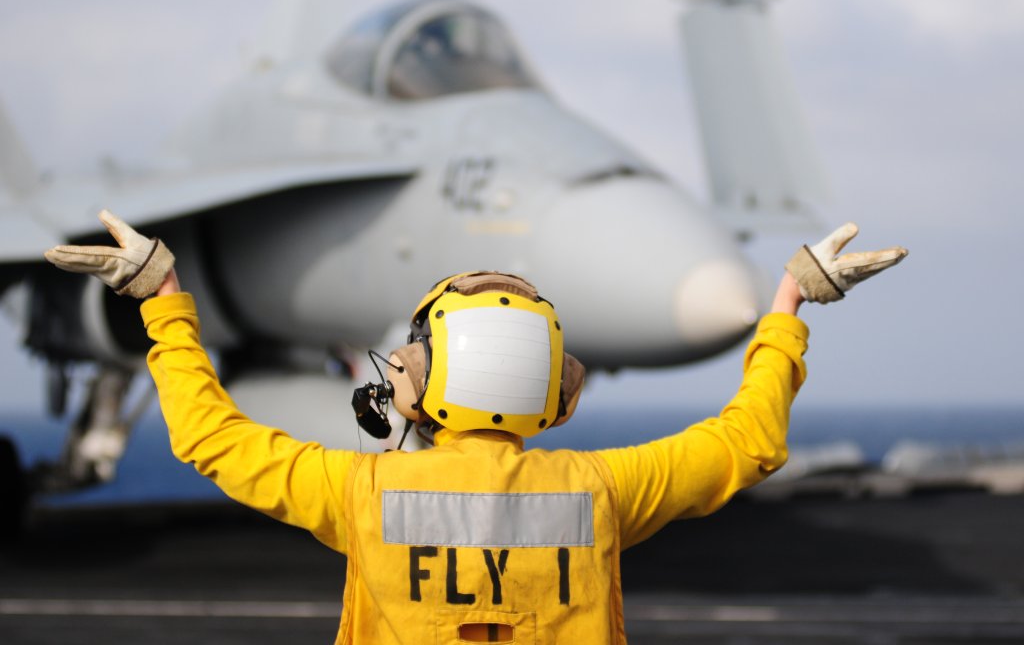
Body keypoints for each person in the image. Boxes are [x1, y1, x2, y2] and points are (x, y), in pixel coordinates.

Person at [45, 212, 906, 644]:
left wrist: (163, 299)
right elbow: (748, 438)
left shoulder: (363, 491)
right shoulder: (599, 495)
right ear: (558, 389)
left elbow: (208, 436)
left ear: (418, 383)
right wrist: (789, 302)